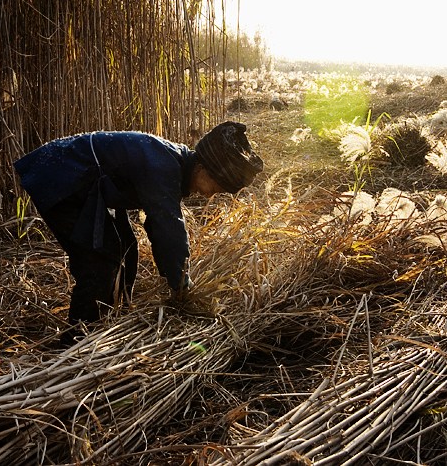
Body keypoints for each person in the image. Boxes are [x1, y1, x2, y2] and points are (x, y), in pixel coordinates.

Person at [14, 121, 263, 343]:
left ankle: (110, 323)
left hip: (83, 183)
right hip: (62, 177)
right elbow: (169, 228)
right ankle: (78, 340)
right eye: (216, 188)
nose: (211, 195)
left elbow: (157, 225)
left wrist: (173, 276)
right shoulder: (165, 166)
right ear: (202, 169)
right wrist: (182, 283)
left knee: (125, 249)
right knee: (100, 260)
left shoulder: (172, 164)